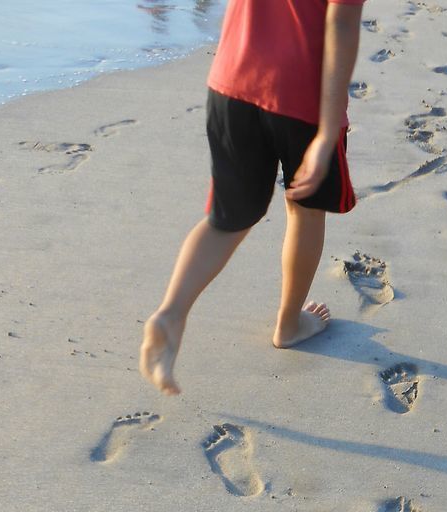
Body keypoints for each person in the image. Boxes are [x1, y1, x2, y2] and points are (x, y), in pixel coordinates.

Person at [140, 0, 366, 396]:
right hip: (303, 95)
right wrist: (328, 132)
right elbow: (342, 23)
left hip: (232, 81)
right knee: (306, 209)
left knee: (227, 219)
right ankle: (289, 324)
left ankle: (171, 312)